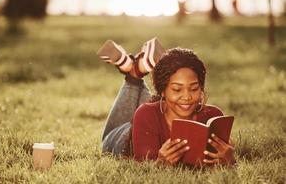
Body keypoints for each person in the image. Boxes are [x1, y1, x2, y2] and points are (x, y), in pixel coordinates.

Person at [98, 38, 235, 166]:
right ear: (162, 91)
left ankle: (134, 68)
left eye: (194, 88)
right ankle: (134, 73)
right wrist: (160, 163)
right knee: (140, 104)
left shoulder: (213, 115)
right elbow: (145, 168)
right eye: (176, 89)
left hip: (157, 112)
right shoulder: (146, 114)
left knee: (154, 106)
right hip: (122, 136)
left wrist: (230, 160)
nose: (186, 96)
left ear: (201, 88)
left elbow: (224, 158)